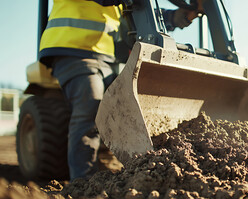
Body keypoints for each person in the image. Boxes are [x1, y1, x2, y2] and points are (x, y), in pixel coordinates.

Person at [39, 0, 194, 180]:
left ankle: (140, 176)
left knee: (126, 107)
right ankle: (81, 183)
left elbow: (144, 14)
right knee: (90, 104)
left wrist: (185, 13)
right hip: (71, 51)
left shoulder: (119, 4)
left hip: (105, 60)